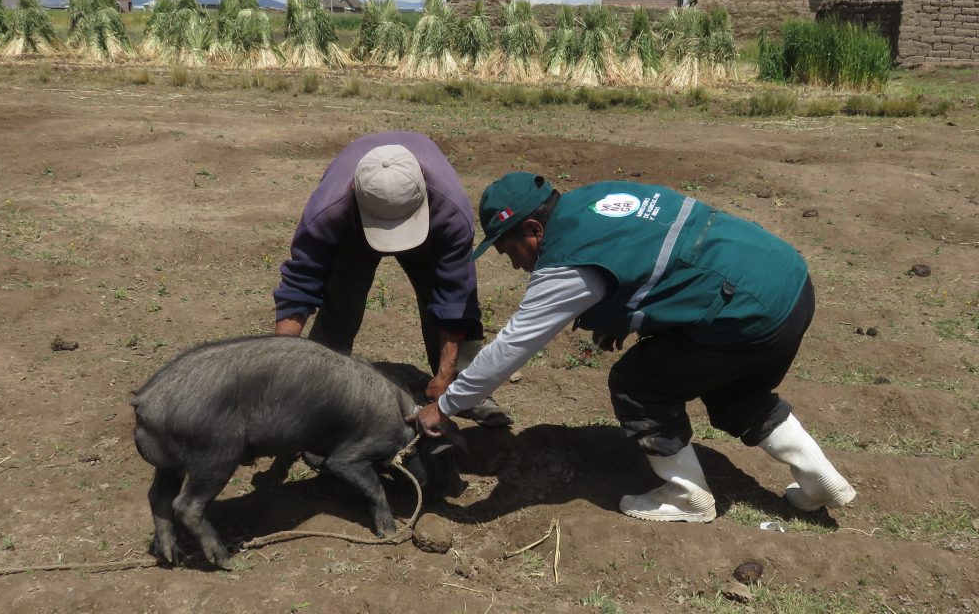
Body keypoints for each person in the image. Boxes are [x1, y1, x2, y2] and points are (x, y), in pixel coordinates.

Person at [409, 172, 856, 522]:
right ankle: (821, 483)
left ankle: (687, 498)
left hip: (746, 309)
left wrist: (445, 406)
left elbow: (511, 348)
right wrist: (619, 316)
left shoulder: (566, 260)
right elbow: (655, 256)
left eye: (510, 252)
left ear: (533, 229)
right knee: (736, 392)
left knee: (638, 383)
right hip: (789, 283)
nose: (516, 265)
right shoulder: (597, 198)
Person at [273, 132, 511, 426]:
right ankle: (320, 385)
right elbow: (299, 286)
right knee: (341, 304)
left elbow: (455, 295)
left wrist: (446, 374)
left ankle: (467, 388)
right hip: (354, 232)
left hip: (429, 228)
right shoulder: (329, 212)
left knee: (451, 304)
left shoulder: (450, 212)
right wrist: (276, 370)